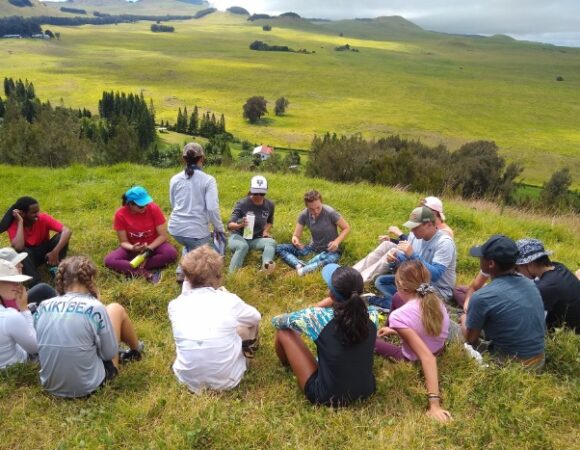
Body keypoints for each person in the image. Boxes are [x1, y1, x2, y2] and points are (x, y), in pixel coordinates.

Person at [34, 256, 144, 398]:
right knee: (115, 309)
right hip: (88, 387)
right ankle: (136, 349)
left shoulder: (43, 305)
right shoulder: (95, 306)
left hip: (50, 386)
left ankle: (134, 349)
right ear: (90, 279)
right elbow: (108, 354)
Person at [272, 264, 378, 407]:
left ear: (331, 294)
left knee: (284, 332)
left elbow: (278, 321)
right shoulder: (372, 315)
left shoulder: (317, 318)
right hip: (366, 389)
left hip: (327, 396)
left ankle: (287, 364)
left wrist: (316, 307)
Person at [168, 245, 261, 394]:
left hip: (186, 380)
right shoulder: (228, 299)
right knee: (249, 325)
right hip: (228, 380)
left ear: (187, 278)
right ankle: (246, 356)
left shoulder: (174, 305)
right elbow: (256, 317)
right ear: (218, 276)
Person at [375, 260, 451, 422]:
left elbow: (428, 358)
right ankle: (391, 328)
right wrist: (396, 329)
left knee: (371, 341)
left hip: (413, 357)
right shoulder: (435, 299)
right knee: (396, 299)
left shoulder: (399, 316)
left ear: (401, 285)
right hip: (439, 346)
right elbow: (422, 323)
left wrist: (434, 405)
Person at [460, 235, 545, 370]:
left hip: (510, 367)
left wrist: (464, 319)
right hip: (539, 361)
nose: (479, 260)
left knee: (451, 328)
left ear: (491, 264)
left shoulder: (482, 297)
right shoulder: (530, 284)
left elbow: (470, 340)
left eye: (481, 257)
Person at [371, 206, 457, 311]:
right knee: (381, 281)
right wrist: (395, 259)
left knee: (413, 295)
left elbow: (435, 275)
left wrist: (413, 255)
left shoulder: (444, 242)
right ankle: (402, 305)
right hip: (416, 282)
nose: (411, 230)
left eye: (415, 227)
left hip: (436, 290)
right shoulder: (414, 235)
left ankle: (391, 304)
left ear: (429, 225)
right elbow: (408, 262)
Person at [354, 196, 452, 283]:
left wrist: (410, 251)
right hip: (417, 268)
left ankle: (358, 281)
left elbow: (434, 275)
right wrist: (392, 241)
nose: (419, 209)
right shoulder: (420, 230)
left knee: (394, 252)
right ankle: (353, 273)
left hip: (428, 282)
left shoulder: (444, 238)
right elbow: (409, 245)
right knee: (388, 245)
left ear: (433, 214)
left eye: (423, 208)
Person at [168, 142, 225, 282]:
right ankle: (196, 278)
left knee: (189, 243)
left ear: (183, 159)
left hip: (175, 229)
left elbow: (173, 203)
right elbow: (212, 208)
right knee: (209, 253)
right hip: (196, 232)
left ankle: (181, 272)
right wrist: (219, 228)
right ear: (202, 158)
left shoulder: (175, 179)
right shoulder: (208, 180)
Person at [104, 186, 178, 284]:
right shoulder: (120, 214)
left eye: (146, 204)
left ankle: (130, 266)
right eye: (141, 206)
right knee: (109, 260)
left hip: (154, 245)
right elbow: (123, 242)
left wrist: (147, 252)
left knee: (171, 254)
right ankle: (146, 274)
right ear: (130, 204)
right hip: (133, 247)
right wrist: (133, 248)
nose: (145, 207)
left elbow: (163, 236)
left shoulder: (154, 208)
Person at [0, 196, 72, 287]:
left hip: (46, 251)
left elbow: (67, 231)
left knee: (61, 236)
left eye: (38, 211)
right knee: (20, 251)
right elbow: (18, 247)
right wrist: (20, 222)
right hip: (30, 258)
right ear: (22, 214)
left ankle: (56, 265)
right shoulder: (14, 225)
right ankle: (36, 284)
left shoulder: (43, 218)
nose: (38, 214)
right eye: (34, 212)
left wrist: (55, 252)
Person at [276, 190, 350, 276]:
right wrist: (295, 240)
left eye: (318, 207)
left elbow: (346, 228)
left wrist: (336, 242)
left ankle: (303, 270)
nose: (316, 211)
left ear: (321, 202)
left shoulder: (330, 213)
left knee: (331, 260)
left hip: (330, 251)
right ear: (307, 206)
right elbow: (296, 235)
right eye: (311, 209)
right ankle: (299, 265)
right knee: (279, 248)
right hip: (312, 249)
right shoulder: (304, 215)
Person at [515, 238, 580, 333]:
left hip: (571, 332)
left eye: (517, 268)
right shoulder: (558, 267)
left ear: (530, 264)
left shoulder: (546, 288)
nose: (518, 272)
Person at [227, 175, 276, 273]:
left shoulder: (270, 205)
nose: (258, 196)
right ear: (251, 190)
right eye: (255, 193)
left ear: (266, 191)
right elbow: (229, 225)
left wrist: (265, 231)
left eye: (261, 193)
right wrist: (240, 225)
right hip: (238, 236)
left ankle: (266, 268)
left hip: (255, 238)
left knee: (271, 242)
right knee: (243, 246)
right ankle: (232, 275)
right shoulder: (242, 204)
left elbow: (270, 222)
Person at [0, 260, 38, 369]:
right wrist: (24, 309)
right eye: (11, 280)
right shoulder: (10, 316)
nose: (17, 285)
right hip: (17, 364)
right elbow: (35, 347)